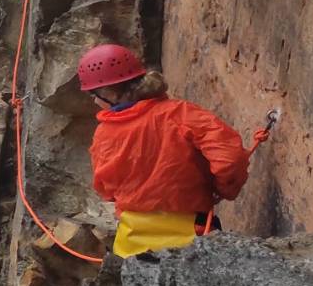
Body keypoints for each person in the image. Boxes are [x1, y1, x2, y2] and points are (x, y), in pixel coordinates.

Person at [78, 43, 252, 258]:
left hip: (132, 246)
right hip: (193, 238)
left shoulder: (104, 135)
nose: (95, 101)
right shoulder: (181, 113)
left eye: (94, 95)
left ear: (109, 92)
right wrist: (222, 189)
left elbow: (105, 189)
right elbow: (230, 158)